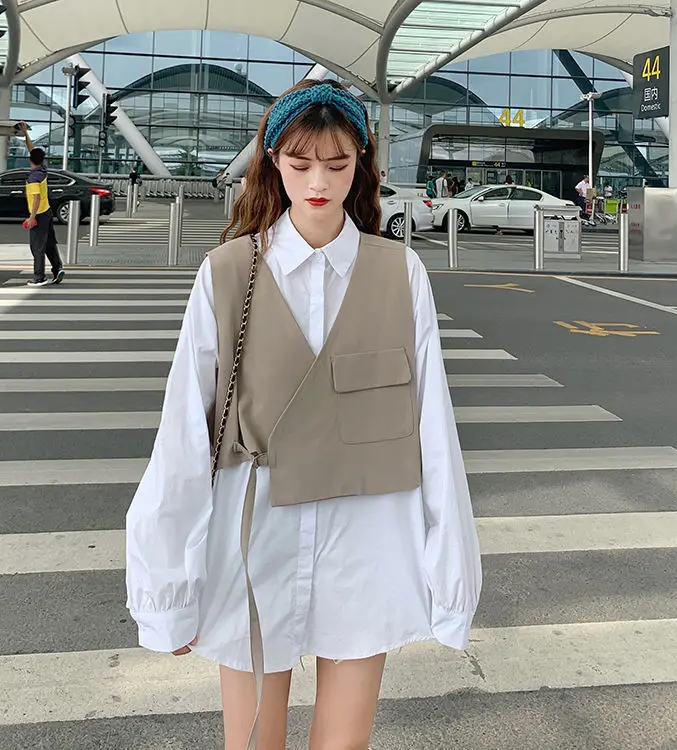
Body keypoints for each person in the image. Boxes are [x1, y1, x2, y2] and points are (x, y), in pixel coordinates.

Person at [125, 80, 482, 750]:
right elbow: (183, 435)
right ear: (272, 163)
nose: (318, 183)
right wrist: (167, 589)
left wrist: (450, 577)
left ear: (361, 165)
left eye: (337, 164)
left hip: (367, 537)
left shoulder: (400, 274)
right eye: (300, 163)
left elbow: (433, 428)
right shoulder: (227, 272)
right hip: (254, 532)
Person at [18, 122, 64, 287]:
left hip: (38, 214)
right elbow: (32, 150)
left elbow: (36, 198)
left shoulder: (33, 178)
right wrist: (25, 134)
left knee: (37, 247)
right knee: (49, 243)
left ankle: (39, 277)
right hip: (48, 212)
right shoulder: (43, 170)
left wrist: (31, 218)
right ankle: (57, 268)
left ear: (30, 160)